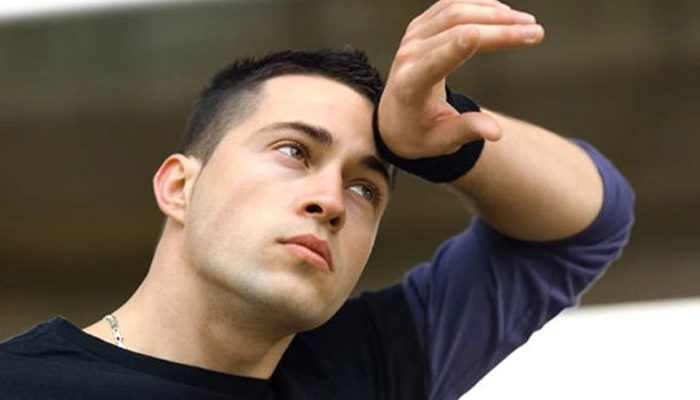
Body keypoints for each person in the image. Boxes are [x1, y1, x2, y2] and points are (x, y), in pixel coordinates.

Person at [0, 0, 635, 399]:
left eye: (365, 187)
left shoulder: (367, 366)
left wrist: (438, 146)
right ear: (179, 187)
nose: (331, 200)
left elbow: (584, 228)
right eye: (294, 151)